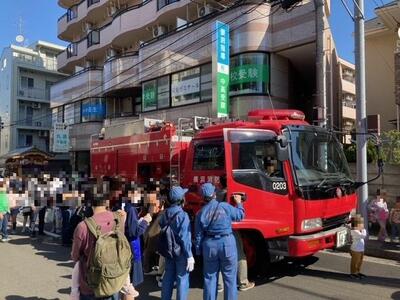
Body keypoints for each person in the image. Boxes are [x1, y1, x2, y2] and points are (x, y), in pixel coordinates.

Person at [71, 185, 128, 299]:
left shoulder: (83, 226)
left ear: (89, 202)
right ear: (107, 201)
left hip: (91, 283)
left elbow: (75, 256)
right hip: (113, 278)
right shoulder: (118, 220)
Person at [195, 183, 245, 300]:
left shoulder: (200, 213)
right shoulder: (224, 206)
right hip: (227, 243)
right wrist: (239, 203)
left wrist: (198, 251)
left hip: (209, 245)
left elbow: (198, 236)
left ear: (203, 197)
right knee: (230, 279)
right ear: (214, 194)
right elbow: (239, 215)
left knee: (210, 279)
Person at [216, 176, 254, 293]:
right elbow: (239, 215)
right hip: (229, 229)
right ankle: (243, 282)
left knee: (218, 258)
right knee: (239, 253)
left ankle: (219, 285)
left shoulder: (216, 195)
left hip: (215, 231)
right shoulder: (229, 197)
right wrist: (239, 203)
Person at [159, 186, 194, 300]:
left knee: (168, 276)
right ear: (181, 199)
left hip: (169, 250)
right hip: (181, 252)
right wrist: (189, 256)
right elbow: (185, 238)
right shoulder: (183, 215)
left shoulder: (165, 213)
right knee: (182, 278)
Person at [124, 190, 152, 287]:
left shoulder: (125, 206)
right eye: (136, 193)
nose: (139, 196)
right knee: (130, 284)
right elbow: (134, 232)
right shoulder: (131, 209)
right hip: (132, 247)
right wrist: (145, 221)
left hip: (126, 246)